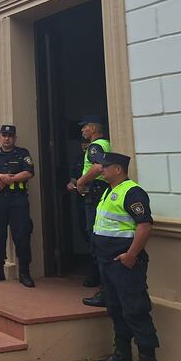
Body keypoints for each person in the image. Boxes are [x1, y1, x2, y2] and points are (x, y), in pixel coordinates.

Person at [90, 152, 159, 361]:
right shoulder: (109, 191)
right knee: (116, 309)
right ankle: (122, 356)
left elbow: (144, 225)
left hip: (125, 264)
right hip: (107, 262)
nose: (101, 169)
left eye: (105, 166)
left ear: (118, 169)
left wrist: (130, 256)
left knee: (135, 311)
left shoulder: (132, 192)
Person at [0, 125, 36, 288]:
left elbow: (29, 172)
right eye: (4, 135)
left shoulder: (22, 153)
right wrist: (2, 176)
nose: (7, 138)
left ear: (15, 138)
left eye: (10, 136)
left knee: (22, 235)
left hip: (18, 200)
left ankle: (24, 272)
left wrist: (10, 180)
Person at [69, 115, 111, 307]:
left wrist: (81, 181)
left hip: (95, 194)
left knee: (96, 240)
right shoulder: (105, 143)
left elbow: (98, 166)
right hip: (99, 194)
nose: (82, 130)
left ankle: (105, 291)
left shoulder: (95, 146)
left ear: (93, 128)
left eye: (84, 127)